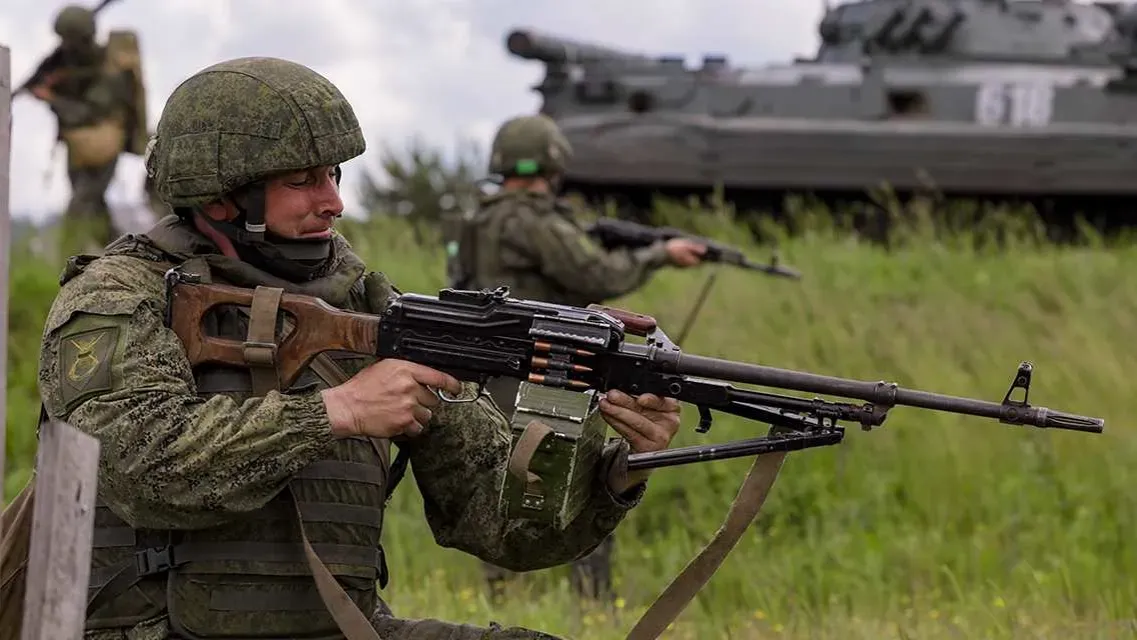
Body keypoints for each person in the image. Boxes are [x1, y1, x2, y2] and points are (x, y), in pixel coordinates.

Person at [36, 56, 682, 640]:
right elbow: (134, 469)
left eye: (334, 174)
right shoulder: (121, 295)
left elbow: (502, 528)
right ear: (223, 193)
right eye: (302, 180)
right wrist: (334, 412)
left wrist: (614, 463)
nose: (334, 202)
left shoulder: (363, 302)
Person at [454, 113, 707, 602]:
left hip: (489, 377)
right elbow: (599, 277)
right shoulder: (533, 220)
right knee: (588, 481)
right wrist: (659, 254)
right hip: (550, 374)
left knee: (500, 486)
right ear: (552, 164)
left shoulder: (477, 220)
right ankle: (592, 603)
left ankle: (501, 598)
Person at [22, 4, 147, 253]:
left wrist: (51, 98)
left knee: (80, 205)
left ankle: (64, 264)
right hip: (80, 145)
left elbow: (90, 113)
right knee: (95, 206)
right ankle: (125, 252)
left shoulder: (111, 70)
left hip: (102, 144)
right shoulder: (72, 66)